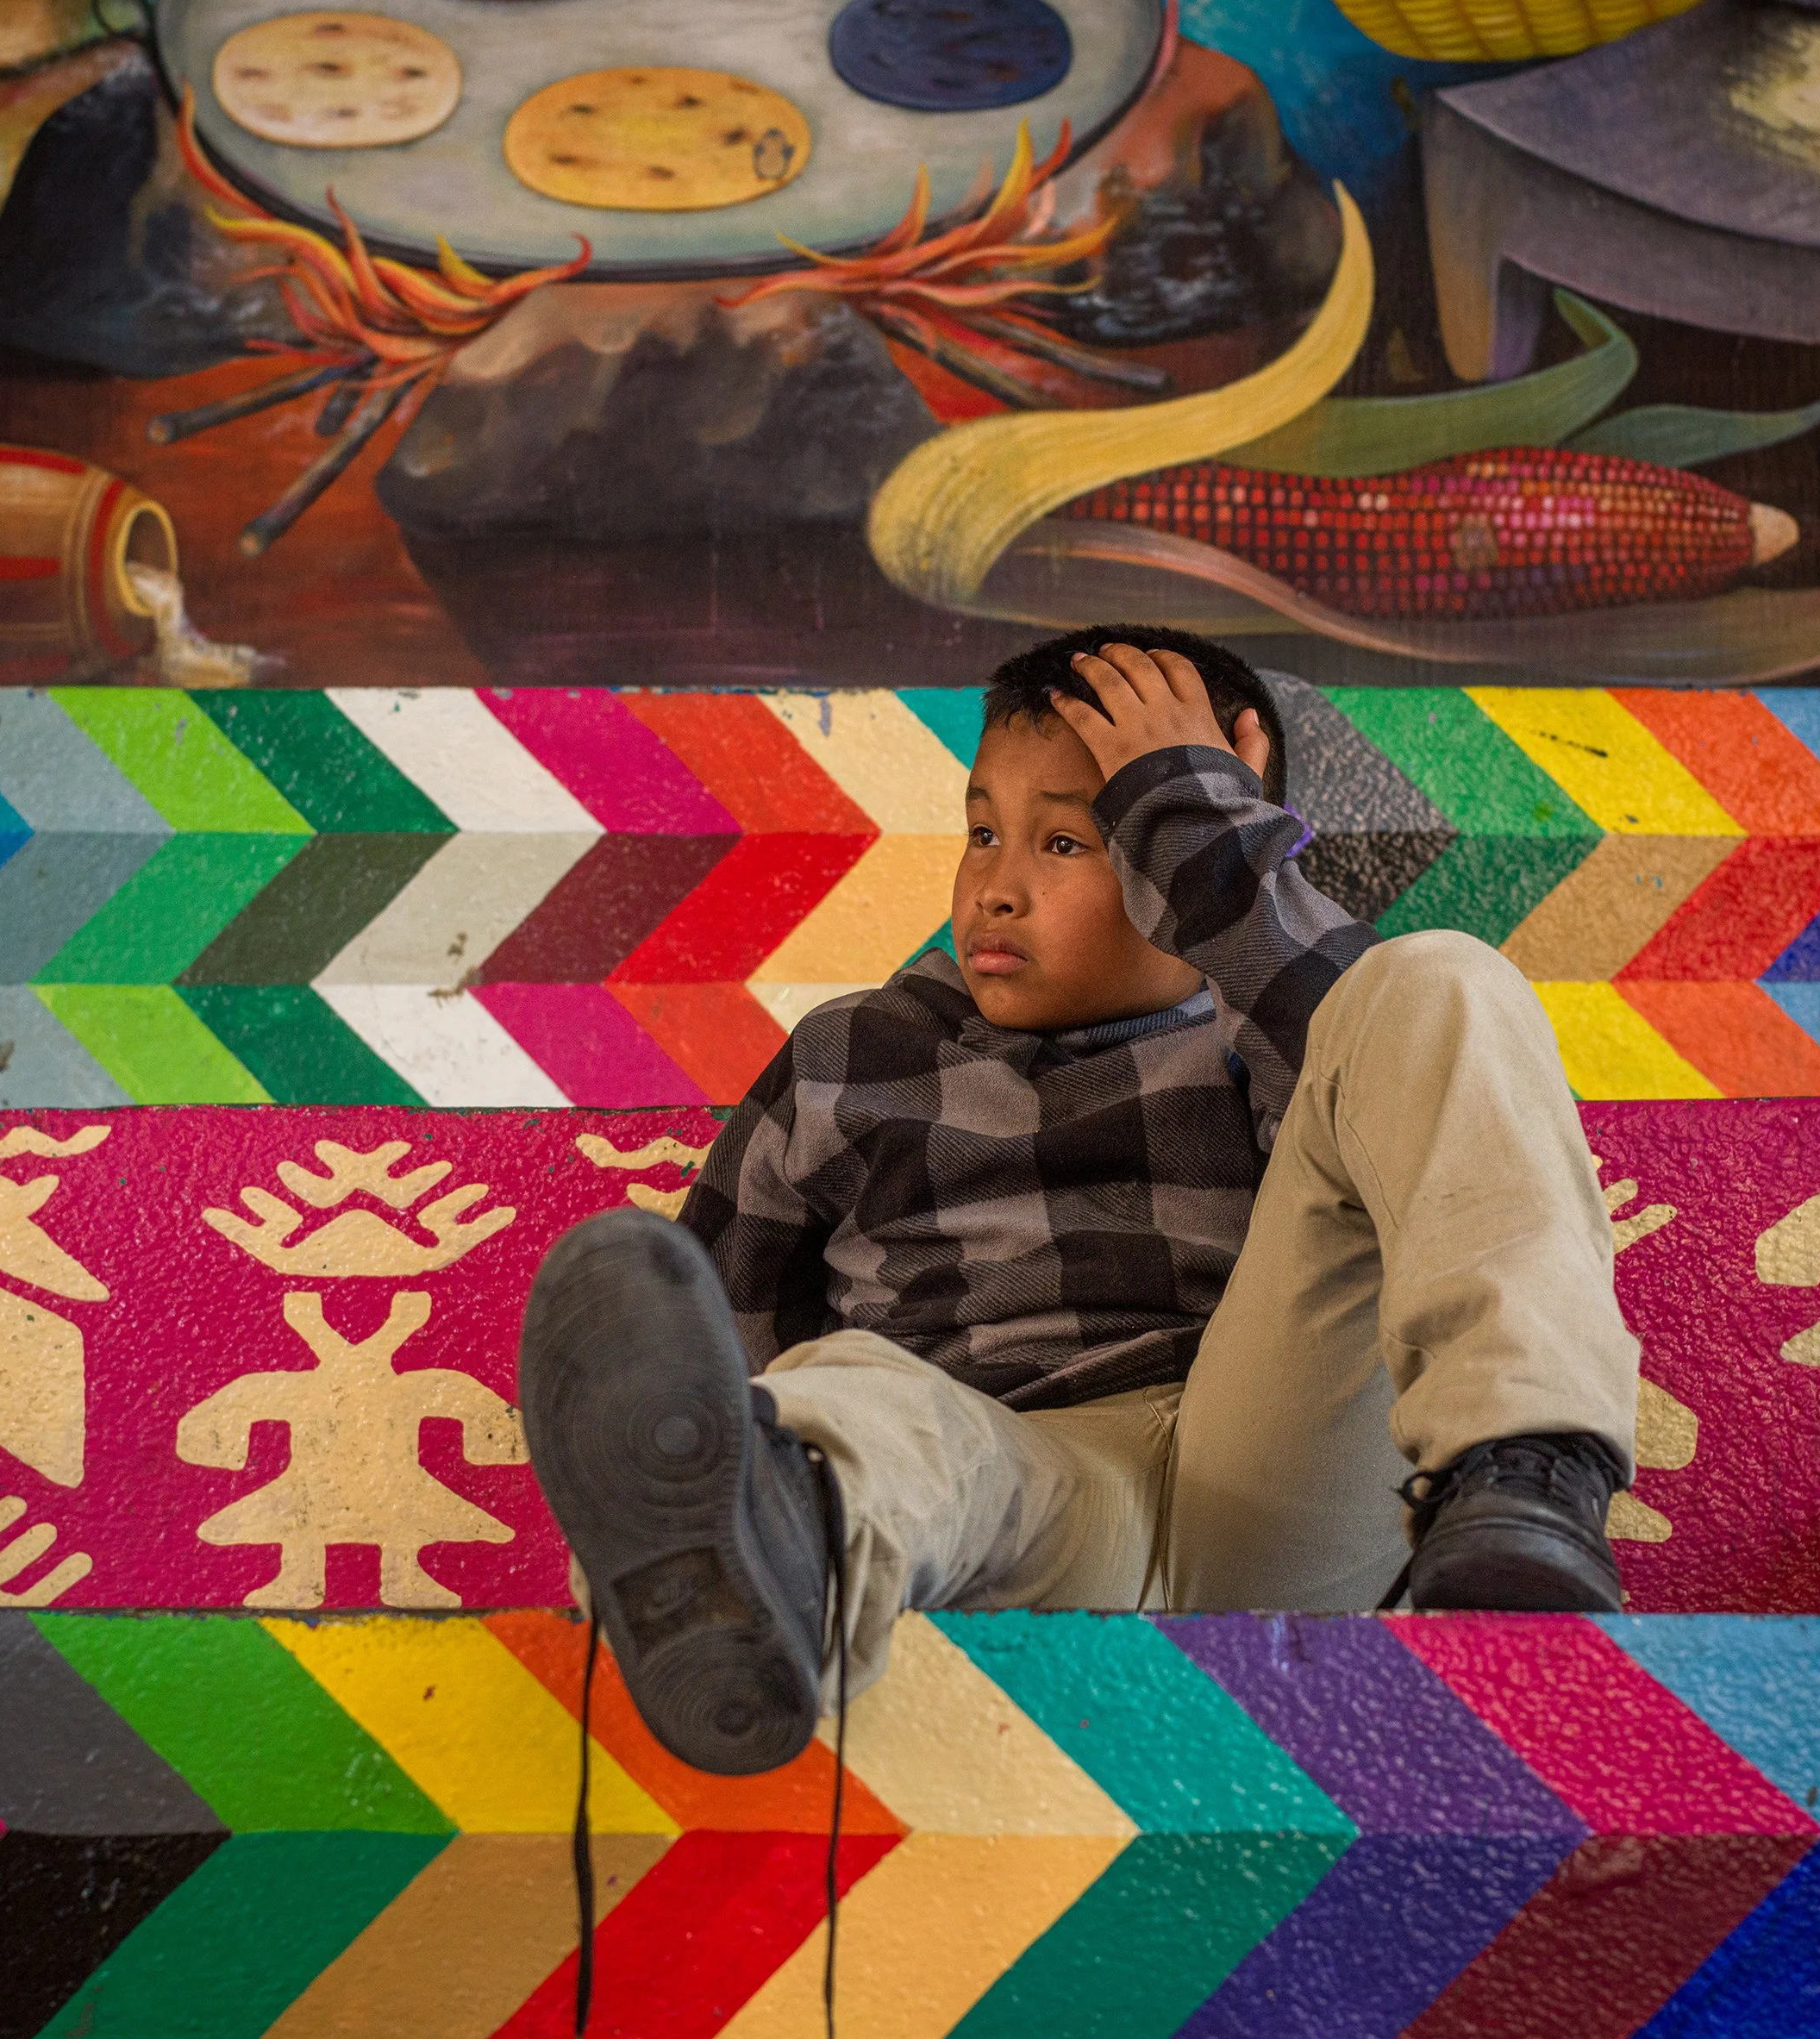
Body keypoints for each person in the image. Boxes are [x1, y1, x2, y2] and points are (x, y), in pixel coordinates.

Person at [519, 628, 1638, 1780]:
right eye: (982, 832)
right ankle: (760, 1558)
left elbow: (1399, 1081)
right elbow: (716, 1326)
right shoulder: (851, 1054)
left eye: (1068, 840)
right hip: (1012, 1495)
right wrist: (761, 1444)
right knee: (851, 1393)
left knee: (1440, 979)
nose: (996, 885)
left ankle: (1523, 1475)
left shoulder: (1282, 1029)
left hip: (1274, 1477)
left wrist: (1207, 844)